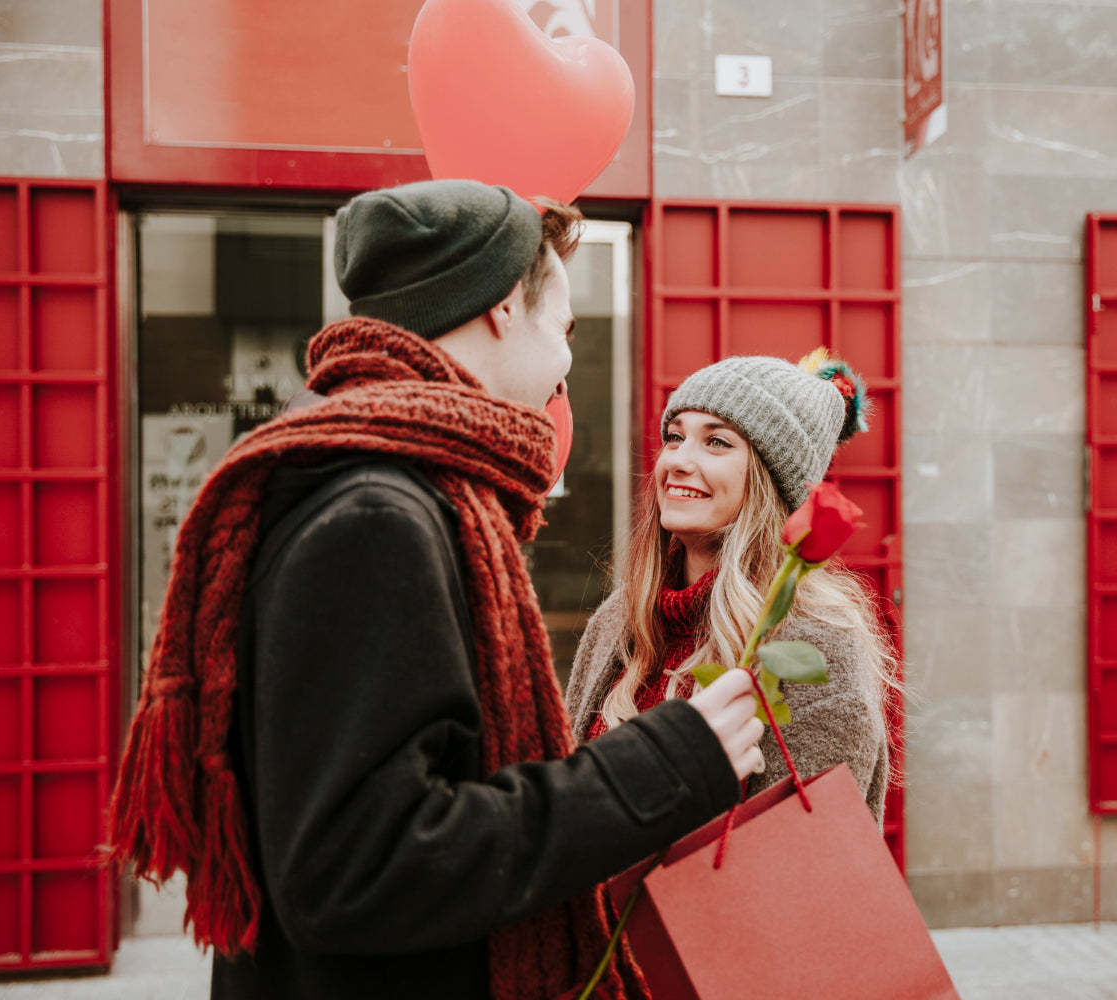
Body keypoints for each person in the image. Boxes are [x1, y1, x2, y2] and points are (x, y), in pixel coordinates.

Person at [108, 180, 765, 1000]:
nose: (565, 362)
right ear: (500, 310)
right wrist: (662, 764)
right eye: (562, 328)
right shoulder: (377, 514)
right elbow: (359, 866)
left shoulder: (364, 473)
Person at [565, 354, 896, 822]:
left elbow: (795, 856)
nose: (677, 461)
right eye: (675, 437)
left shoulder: (814, 646)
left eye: (716, 442)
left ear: (769, 480)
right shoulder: (619, 621)